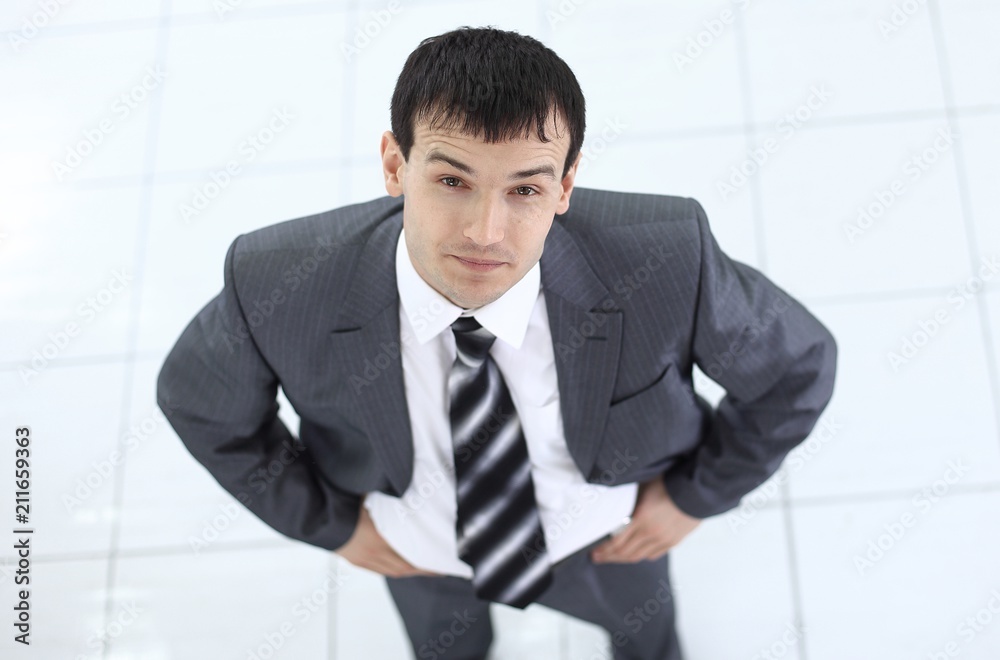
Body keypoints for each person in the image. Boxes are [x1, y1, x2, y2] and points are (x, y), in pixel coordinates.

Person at [157, 26, 836, 660]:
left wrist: (695, 496)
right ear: (395, 164)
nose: (487, 231)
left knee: (649, 643)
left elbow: (795, 370)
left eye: (525, 189)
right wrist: (329, 524)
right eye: (452, 180)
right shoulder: (277, 279)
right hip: (422, 551)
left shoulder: (666, 255)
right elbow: (202, 405)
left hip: (609, 539)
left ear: (565, 186)